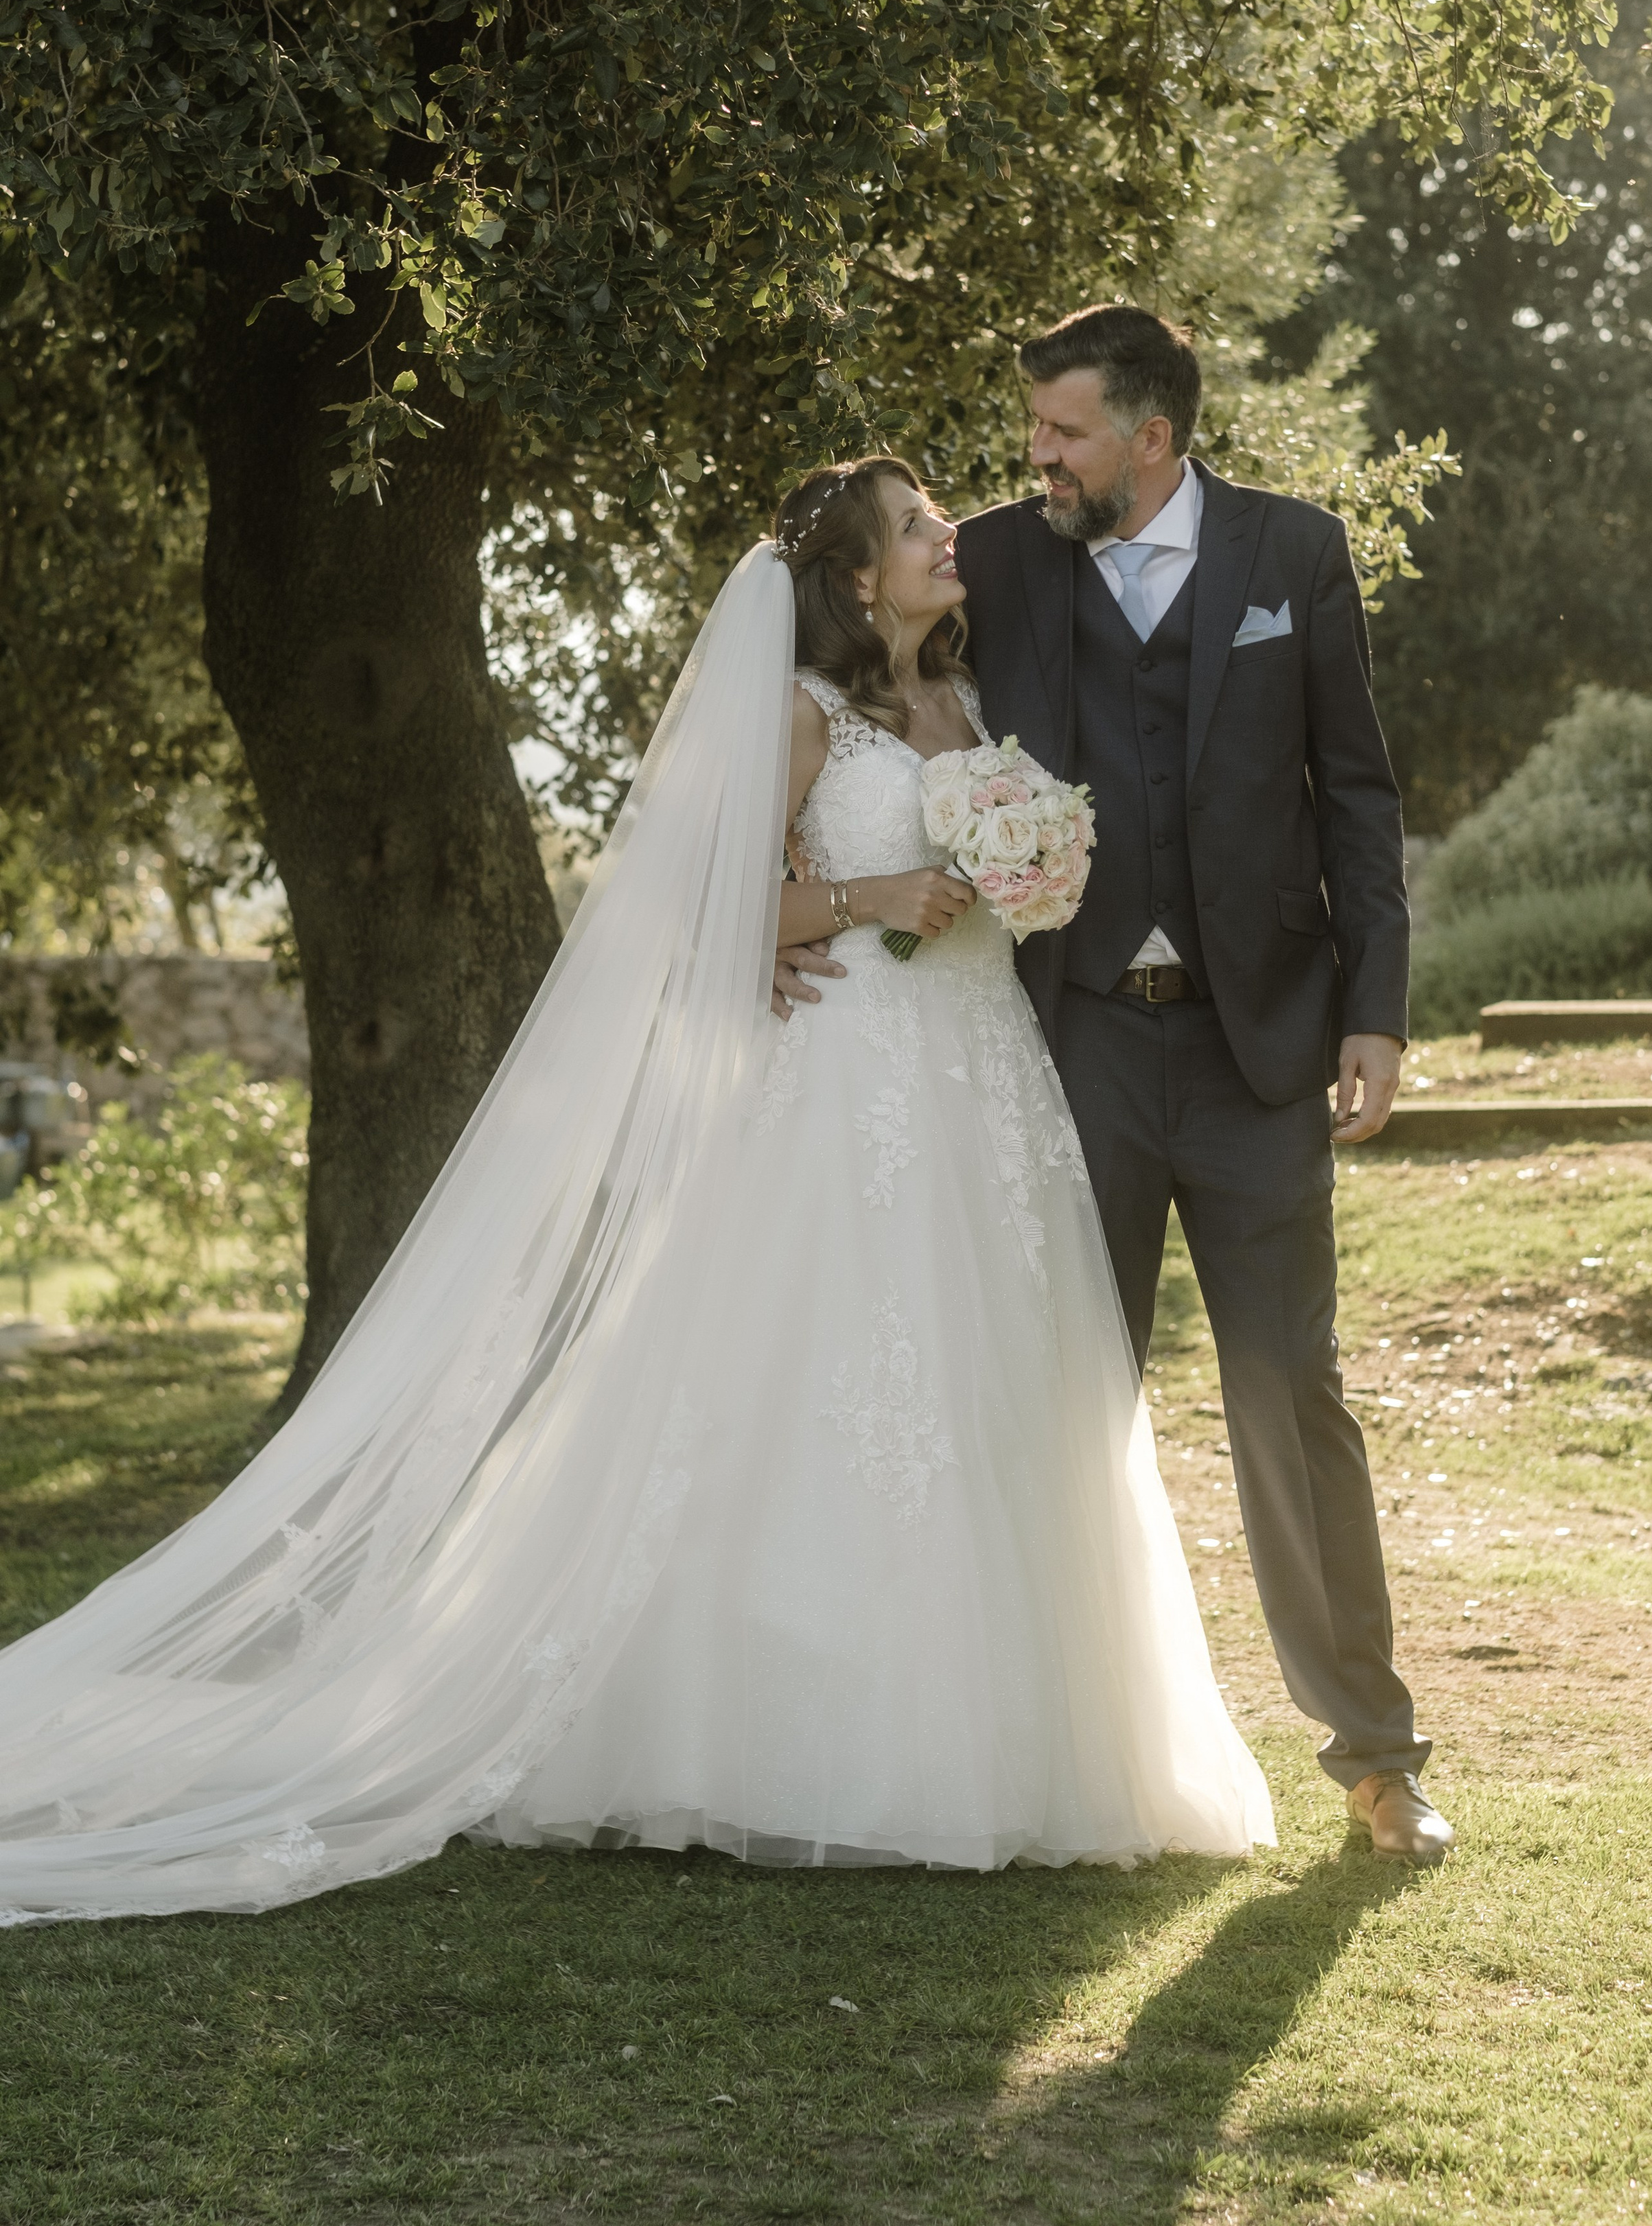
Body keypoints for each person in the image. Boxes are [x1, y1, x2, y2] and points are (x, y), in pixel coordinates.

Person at [0, 457, 1269, 1927]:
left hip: (981, 1081)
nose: (948, 538)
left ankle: (1027, 1745)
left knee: (996, 1392)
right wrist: (865, 901)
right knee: (829, 1387)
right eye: (919, 527)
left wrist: (1016, 873)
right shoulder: (806, 714)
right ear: (859, 577)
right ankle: (785, 1745)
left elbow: (981, 876)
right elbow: (702, 904)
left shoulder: (976, 708)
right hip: (846, 1082)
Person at [782, 310, 1454, 1866]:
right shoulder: (997, 564)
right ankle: (1026, 1756)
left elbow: (1353, 789)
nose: (1035, 460)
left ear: (1150, 435)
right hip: (1059, 1045)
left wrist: (1377, 1007)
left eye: (1063, 435)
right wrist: (784, 904)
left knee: (1289, 1391)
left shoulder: (1292, 552)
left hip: (1258, 1046)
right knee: (1047, 1397)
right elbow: (847, 677)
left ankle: (1375, 1759)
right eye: (1034, 435)